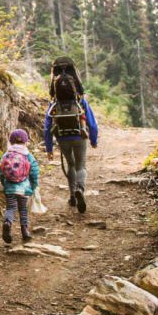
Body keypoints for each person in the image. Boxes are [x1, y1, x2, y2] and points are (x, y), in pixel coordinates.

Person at [44, 56, 98, 213]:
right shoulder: (80, 101)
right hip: (79, 134)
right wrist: (93, 139)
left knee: (71, 164)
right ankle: (80, 189)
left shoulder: (54, 102)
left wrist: (49, 148)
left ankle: (72, 197)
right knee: (81, 165)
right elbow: (92, 123)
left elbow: (47, 126)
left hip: (62, 136)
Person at [0, 128, 39, 244]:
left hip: (9, 188)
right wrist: (34, 185)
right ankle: (25, 231)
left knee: (11, 208)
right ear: (26, 142)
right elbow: (34, 171)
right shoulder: (27, 155)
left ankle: (7, 223)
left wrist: (4, 183)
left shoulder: (6, 154)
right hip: (24, 188)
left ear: (10, 142)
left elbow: (0, 170)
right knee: (23, 209)